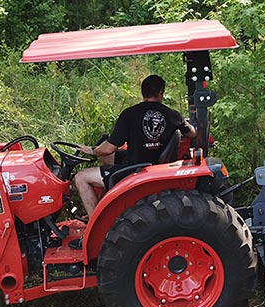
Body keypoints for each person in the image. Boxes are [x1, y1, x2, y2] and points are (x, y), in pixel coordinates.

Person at [74, 74, 196, 216]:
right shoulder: (173, 115)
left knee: (81, 177)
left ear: (142, 92)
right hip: (156, 165)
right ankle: (106, 205)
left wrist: (92, 151)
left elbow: (108, 149)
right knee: (111, 157)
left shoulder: (130, 114)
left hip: (135, 171)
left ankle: (96, 224)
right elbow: (192, 133)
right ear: (161, 93)